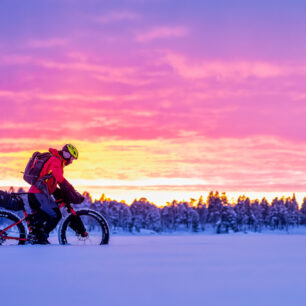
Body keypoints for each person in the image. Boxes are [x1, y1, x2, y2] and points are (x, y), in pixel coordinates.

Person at [28, 144, 84, 244]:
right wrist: (70, 189)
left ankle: (37, 236)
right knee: (56, 215)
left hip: (38, 193)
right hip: (38, 193)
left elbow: (53, 183)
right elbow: (59, 178)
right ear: (67, 154)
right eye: (71, 158)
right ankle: (40, 238)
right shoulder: (55, 160)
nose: (71, 162)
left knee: (46, 216)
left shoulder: (57, 161)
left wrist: (65, 192)